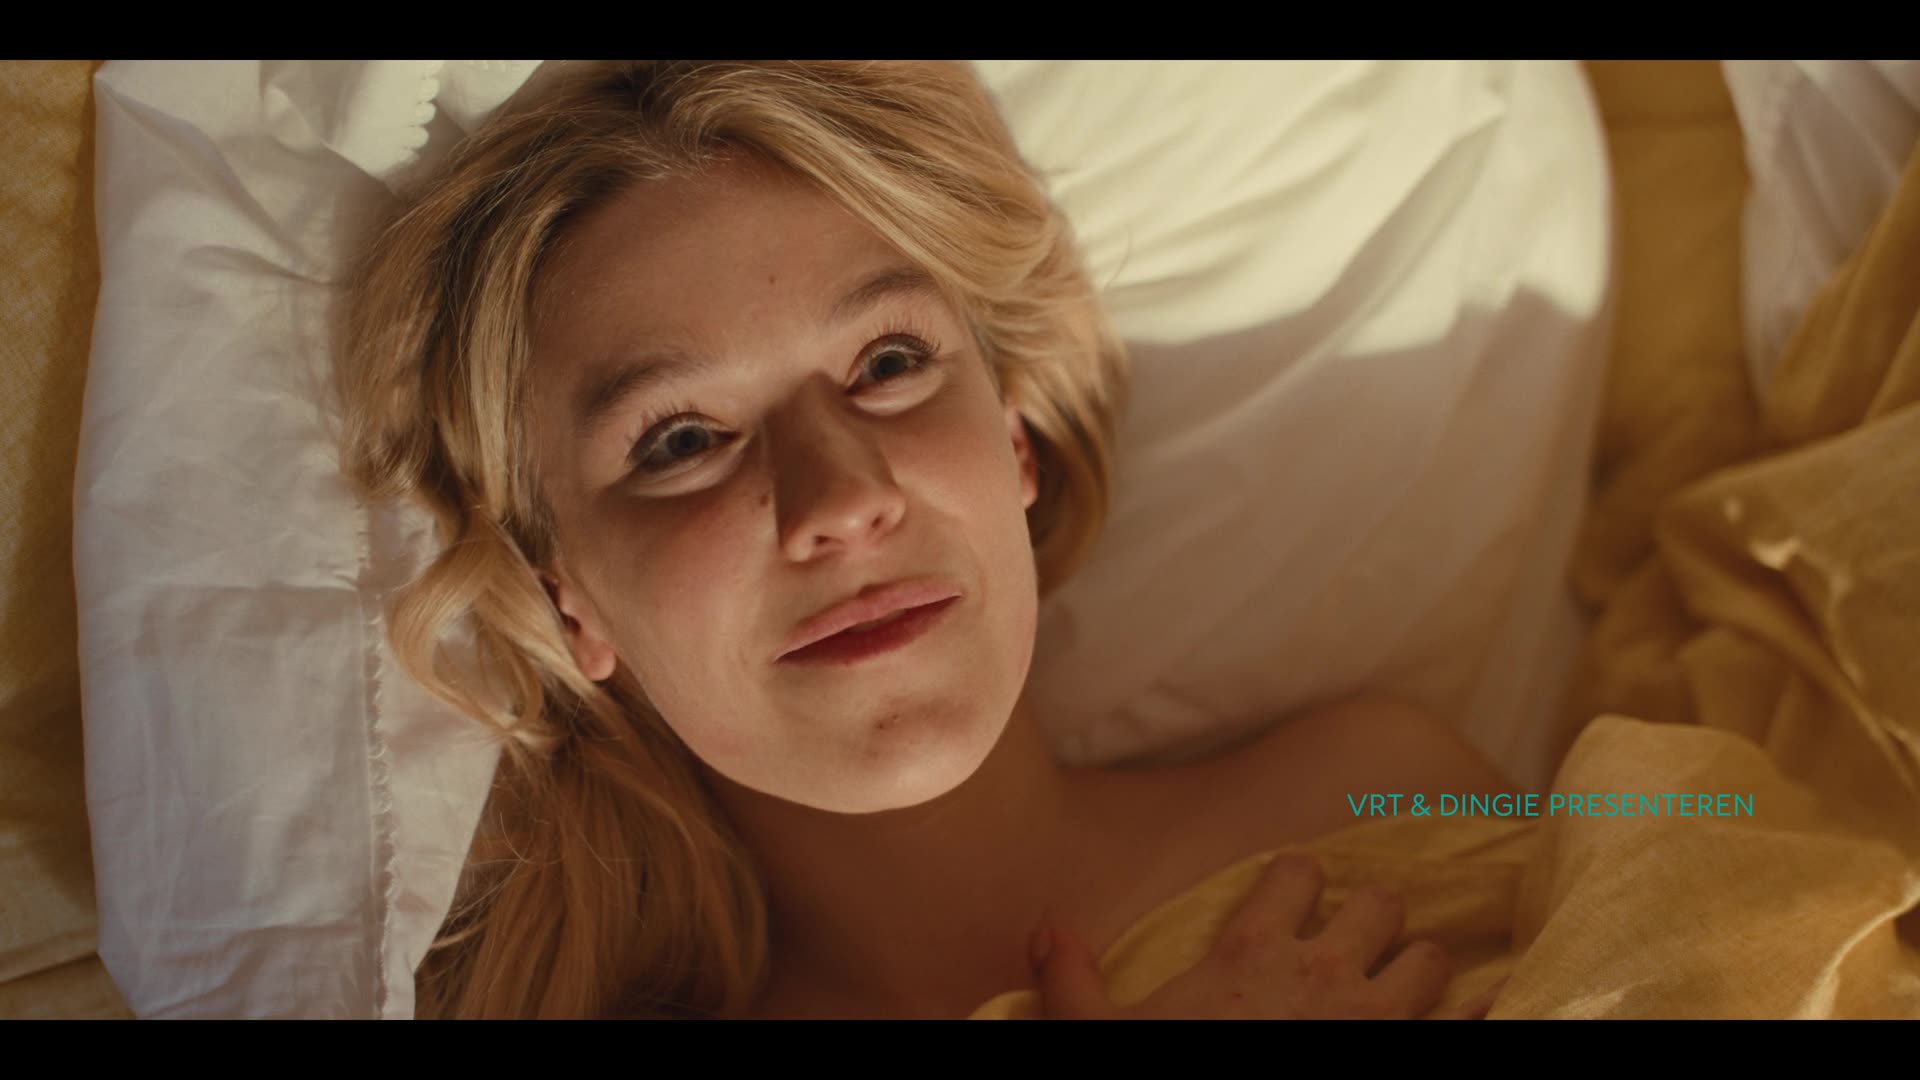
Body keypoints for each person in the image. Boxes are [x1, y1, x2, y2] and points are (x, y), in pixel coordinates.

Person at [335, 59, 1514, 1020]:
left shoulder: (1384, 804)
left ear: (1013, 439)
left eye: (889, 364)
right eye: (681, 440)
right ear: (567, 602)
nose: (841, 500)